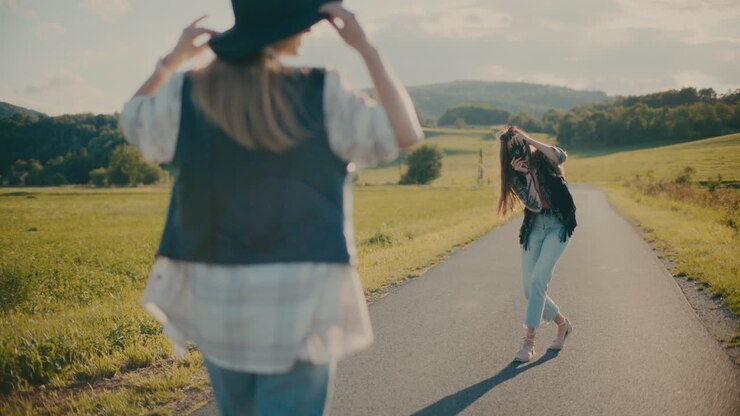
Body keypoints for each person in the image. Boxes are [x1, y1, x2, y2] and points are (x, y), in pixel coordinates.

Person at [119, 0, 423, 414]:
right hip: (300, 294)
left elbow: (133, 121)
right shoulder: (324, 92)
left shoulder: (189, 91)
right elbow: (404, 132)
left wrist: (171, 61)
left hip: (214, 294)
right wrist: (366, 48)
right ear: (292, 28)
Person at [496, 126, 577, 362]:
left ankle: (528, 342)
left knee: (539, 279)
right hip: (534, 228)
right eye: (512, 151)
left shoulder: (543, 158)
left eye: (519, 146)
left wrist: (530, 141)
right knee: (529, 289)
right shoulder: (514, 174)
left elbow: (561, 156)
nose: (518, 153)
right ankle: (563, 325)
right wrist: (527, 174)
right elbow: (533, 205)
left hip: (558, 226)